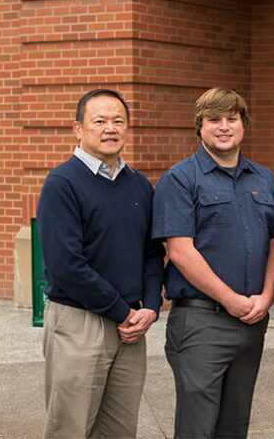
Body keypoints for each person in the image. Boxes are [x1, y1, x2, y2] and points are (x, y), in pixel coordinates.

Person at [152, 87, 274, 438]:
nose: (224, 126)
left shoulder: (264, 179)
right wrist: (231, 300)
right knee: (197, 429)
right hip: (200, 323)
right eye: (214, 120)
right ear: (199, 126)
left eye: (232, 118)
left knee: (234, 426)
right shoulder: (180, 179)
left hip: (252, 322)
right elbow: (180, 252)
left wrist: (267, 297)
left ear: (243, 124)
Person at [37, 89, 165, 438]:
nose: (111, 128)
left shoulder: (139, 185)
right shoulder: (62, 183)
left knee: (120, 429)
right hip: (79, 322)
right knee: (70, 427)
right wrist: (121, 312)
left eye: (118, 121)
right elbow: (66, 265)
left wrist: (151, 307)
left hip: (131, 326)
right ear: (78, 128)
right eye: (100, 121)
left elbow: (153, 252)